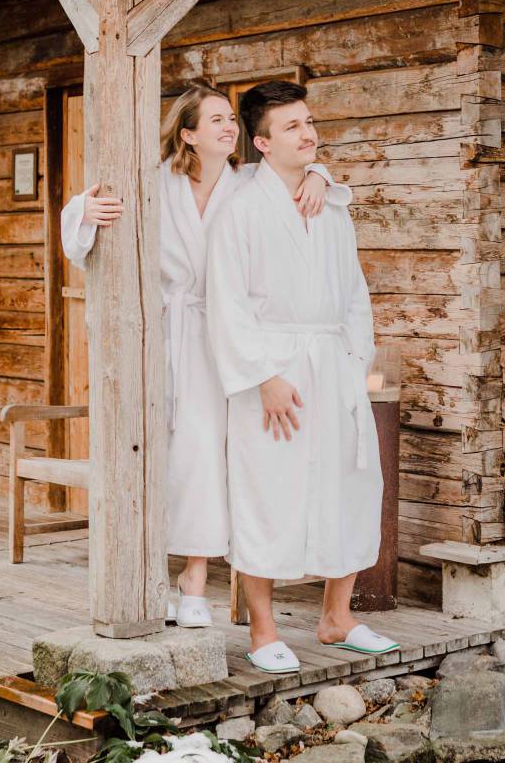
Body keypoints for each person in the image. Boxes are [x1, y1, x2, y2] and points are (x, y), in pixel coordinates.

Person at [60, 81, 346, 628]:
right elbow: (82, 212)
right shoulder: (154, 184)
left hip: (226, 337)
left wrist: (319, 174)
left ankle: (194, 577)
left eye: (229, 119)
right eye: (213, 119)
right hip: (166, 331)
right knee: (159, 450)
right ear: (187, 133)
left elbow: (297, 178)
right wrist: (86, 210)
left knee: (209, 454)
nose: (226, 127)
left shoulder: (246, 185)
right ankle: (149, 573)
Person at [205, 80, 396, 675]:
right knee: (267, 490)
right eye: (291, 127)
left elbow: (355, 292)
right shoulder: (239, 210)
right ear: (260, 142)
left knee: (352, 482)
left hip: (332, 363)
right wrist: (263, 375)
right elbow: (226, 301)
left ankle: (337, 616)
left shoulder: (332, 204)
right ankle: (263, 630)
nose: (308, 133)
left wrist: (353, 357)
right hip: (273, 365)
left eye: (309, 122)